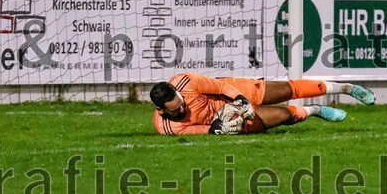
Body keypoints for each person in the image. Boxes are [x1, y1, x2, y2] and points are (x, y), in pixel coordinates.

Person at [150, 72, 375, 135]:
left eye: (182, 102)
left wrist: (240, 99)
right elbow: (204, 130)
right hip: (226, 118)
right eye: (177, 109)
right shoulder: (168, 127)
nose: (183, 108)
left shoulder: (184, 81)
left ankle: (347, 88)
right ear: (161, 110)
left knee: (289, 89)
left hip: (235, 91)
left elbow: (220, 88)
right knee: (284, 116)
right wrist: (221, 128)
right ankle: (316, 110)